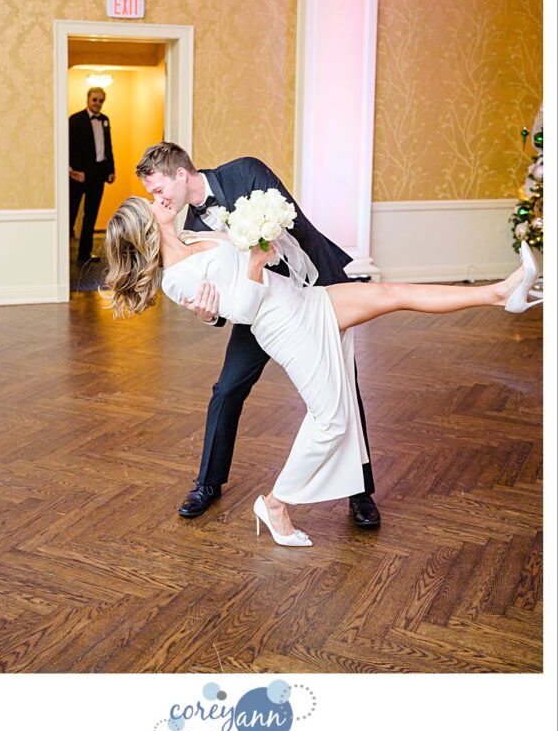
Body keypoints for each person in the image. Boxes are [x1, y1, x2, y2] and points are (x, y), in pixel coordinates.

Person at [103, 194, 540, 546]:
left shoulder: (196, 233)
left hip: (303, 300)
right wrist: (255, 261)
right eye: (150, 202)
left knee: (390, 293)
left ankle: (501, 293)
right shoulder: (176, 277)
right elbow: (240, 311)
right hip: (286, 327)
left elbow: (242, 270)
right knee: (331, 420)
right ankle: (275, 504)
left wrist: (261, 237)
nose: (157, 197)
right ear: (146, 226)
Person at [136, 144, 381, 529]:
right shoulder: (191, 231)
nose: (158, 199)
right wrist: (205, 315)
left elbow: (296, 228)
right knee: (227, 388)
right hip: (260, 311)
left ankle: (360, 491)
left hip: (314, 289)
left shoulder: (245, 172)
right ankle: (208, 483)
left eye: (158, 189)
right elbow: (219, 302)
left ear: (181, 175)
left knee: (344, 384)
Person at [69, 88, 116, 265]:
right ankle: (62, 255)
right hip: (78, 174)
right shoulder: (75, 119)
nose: (97, 103)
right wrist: (72, 170)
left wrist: (111, 170)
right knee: (71, 213)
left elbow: (108, 147)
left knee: (91, 214)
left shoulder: (104, 120)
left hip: (98, 174)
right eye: (95, 100)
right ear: (88, 99)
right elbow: (68, 147)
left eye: (101, 101)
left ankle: (84, 253)